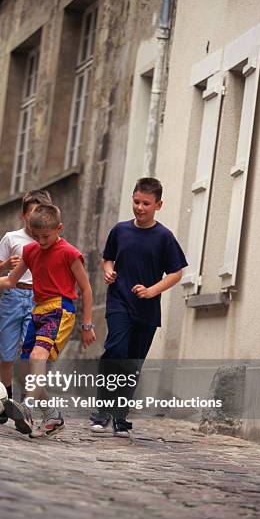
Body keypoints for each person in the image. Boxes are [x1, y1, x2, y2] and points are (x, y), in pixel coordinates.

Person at [0, 203, 96, 438]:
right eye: (36, 236)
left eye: (45, 236)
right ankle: (52, 416)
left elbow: (86, 289)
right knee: (28, 372)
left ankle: (27, 406)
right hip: (39, 309)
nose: (41, 241)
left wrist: (87, 325)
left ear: (59, 228)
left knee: (37, 358)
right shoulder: (31, 251)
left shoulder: (69, 253)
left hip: (60, 309)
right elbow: (10, 281)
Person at [91, 177, 187, 437]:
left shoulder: (164, 237)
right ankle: (101, 411)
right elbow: (107, 259)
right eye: (136, 201)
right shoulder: (120, 230)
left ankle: (121, 417)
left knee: (132, 363)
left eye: (146, 203)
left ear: (158, 205)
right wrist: (109, 272)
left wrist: (151, 291)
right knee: (115, 351)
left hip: (146, 309)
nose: (140, 207)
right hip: (119, 301)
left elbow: (176, 273)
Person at [0, 189, 52, 425]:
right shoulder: (11, 238)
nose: (36, 219)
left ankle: (26, 405)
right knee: (6, 356)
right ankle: (5, 401)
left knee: (31, 356)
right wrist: (6, 263)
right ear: (23, 215)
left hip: (38, 300)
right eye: (32, 214)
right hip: (13, 297)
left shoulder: (49, 241)